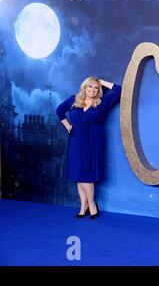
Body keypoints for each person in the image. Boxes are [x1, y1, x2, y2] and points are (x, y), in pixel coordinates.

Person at [56, 77, 121, 219]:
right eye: (90, 86)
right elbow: (59, 110)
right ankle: (83, 206)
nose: (92, 89)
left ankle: (92, 205)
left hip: (94, 141)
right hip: (76, 140)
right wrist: (67, 125)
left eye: (96, 88)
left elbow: (119, 90)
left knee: (87, 175)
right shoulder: (74, 99)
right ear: (84, 87)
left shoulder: (102, 102)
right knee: (78, 174)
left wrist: (101, 82)